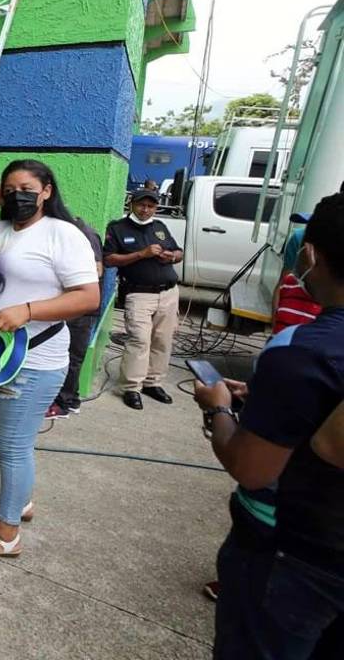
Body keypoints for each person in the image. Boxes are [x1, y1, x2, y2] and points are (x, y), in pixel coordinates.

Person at [195, 191, 344, 659]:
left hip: (293, 554)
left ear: (311, 253)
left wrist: (219, 408)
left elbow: (252, 468)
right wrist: (267, 402)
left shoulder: (300, 350)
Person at [0, 159, 99, 558]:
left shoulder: (62, 235)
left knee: (13, 445)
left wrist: (26, 311)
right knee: (12, 439)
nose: (18, 195)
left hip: (33, 360)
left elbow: (87, 297)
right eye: (10, 189)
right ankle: (18, 504)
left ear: (46, 190)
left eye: (26, 188)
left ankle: (6, 533)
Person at [103, 187, 182, 410]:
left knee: (162, 341)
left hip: (168, 293)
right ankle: (131, 387)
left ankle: (152, 382)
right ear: (132, 204)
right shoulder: (118, 228)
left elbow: (179, 252)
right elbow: (109, 259)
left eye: (151, 206)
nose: (146, 210)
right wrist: (141, 254)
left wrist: (172, 256)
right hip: (139, 294)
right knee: (139, 340)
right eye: (141, 205)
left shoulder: (160, 227)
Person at [49, 216, 104, 418]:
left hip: (80, 308)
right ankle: (71, 399)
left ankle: (64, 403)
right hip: (72, 305)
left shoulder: (83, 234)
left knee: (71, 357)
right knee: (70, 356)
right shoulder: (71, 231)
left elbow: (97, 270)